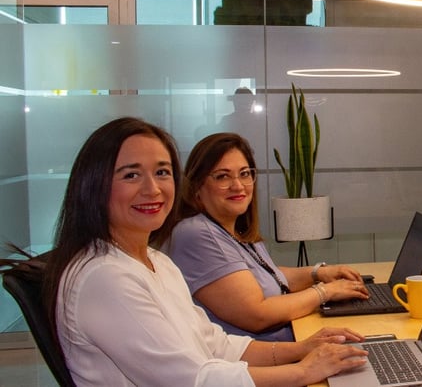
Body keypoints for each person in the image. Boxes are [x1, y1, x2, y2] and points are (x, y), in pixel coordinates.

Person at [42, 117, 368, 386]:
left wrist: (302, 349)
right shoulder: (105, 278)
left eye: (162, 172)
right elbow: (191, 380)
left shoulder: (156, 261)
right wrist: (304, 371)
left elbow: (214, 344)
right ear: (94, 185)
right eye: (131, 175)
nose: (152, 189)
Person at [165, 132, 369, 341]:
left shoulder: (232, 229)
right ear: (197, 186)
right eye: (222, 176)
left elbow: (268, 277)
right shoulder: (196, 233)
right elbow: (257, 315)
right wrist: (325, 292)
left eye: (245, 174)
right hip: (261, 356)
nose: (238, 185)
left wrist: (319, 273)